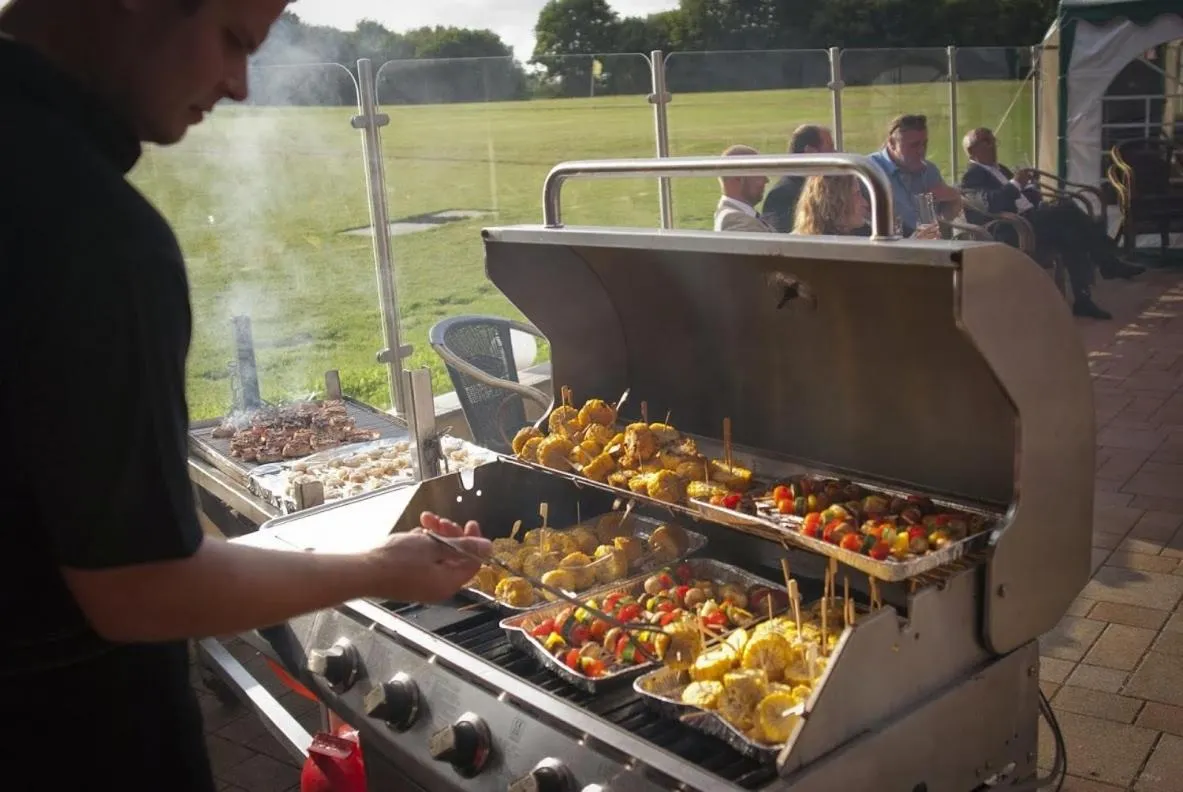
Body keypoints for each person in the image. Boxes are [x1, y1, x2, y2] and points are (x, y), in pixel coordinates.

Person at [0, 2, 491, 789]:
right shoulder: (91, 231)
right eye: (233, 39)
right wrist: (376, 567)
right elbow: (142, 591)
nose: (237, 85)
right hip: (66, 737)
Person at [960, 127, 1143, 297]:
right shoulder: (972, 176)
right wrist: (1016, 183)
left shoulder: (1001, 169)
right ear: (972, 150)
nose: (993, 146)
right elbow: (991, 203)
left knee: (1070, 232)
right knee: (1068, 211)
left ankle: (1084, 298)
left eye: (994, 140)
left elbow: (1028, 199)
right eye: (987, 142)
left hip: (1031, 219)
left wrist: (1030, 187)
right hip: (1012, 228)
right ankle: (1108, 262)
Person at [867, 114, 964, 236]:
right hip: (890, 244)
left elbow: (945, 217)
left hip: (930, 242)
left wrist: (953, 199)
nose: (921, 151)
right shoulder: (870, 171)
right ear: (892, 143)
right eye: (914, 145)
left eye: (924, 144)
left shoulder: (929, 171)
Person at [793, 175, 941, 239]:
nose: (865, 203)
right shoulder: (822, 251)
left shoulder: (863, 233)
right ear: (836, 201)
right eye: (857, 194)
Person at [762, 124, 835, 232]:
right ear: (810, 152)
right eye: (830, 148)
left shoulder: (833, 185)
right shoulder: (782, 195)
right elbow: (784, 238)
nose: (835, 154)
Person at [714, 144, 774, 232]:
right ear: (738, 177)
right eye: (759, 174)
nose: (766, 180)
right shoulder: (736, 222)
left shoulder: (739, 215)